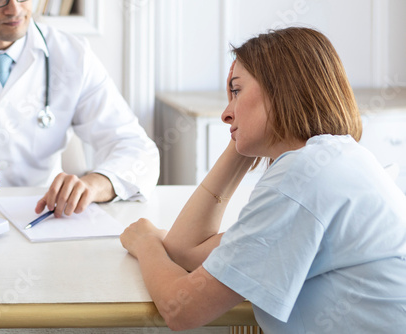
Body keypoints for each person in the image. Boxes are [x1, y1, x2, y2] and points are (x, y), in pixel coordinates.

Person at [120, 27, 406, 332]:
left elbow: (181, 309)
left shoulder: (302, 178)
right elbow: (185, 251)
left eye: (237, 91)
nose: (225, 114)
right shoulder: (333, 161)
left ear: (282, 89)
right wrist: (243, 139)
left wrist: (147, 244)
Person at [0, 0, 159, 216]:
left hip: (43, 216)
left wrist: (95, 185)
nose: (14, 8)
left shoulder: (73, 55)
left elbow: (138, 149)